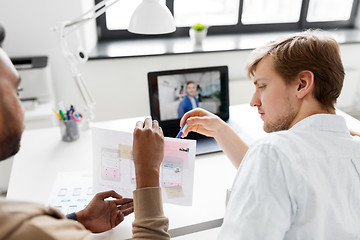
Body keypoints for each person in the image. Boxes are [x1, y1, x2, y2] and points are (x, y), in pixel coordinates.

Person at [131, 29, 360, 239]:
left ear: (302, 84)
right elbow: (289, 175)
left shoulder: (273, 153)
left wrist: (148, 171)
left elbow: (277, 165)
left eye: (262, 86)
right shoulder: (352, 148)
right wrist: (221, 130)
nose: (253, 101)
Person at [0, 25, 134, 239]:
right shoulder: (23, 228)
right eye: (16, 92)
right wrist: (148, 170)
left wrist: (80, 219)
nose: (22, 106)